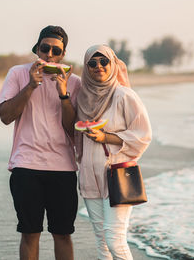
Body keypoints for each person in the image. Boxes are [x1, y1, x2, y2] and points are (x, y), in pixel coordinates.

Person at [0, 25, 81, 260]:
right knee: (30, 233)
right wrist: (31, 86)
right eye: (45, 49)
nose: (50, 55)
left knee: (63, 234)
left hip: (63, 168)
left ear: (63, 54)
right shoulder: (18, 74)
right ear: (37, 49)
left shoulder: (74, 82)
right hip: (26, 166)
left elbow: (73, 129)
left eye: (56, 51)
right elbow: (5, 116)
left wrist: (63, 94)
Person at [76, 44, 152, 260]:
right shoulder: (83, 98)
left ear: (113, 65)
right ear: (86, 67)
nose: (98, 66)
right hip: (90, 177)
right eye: (92, 63)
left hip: (117, 175)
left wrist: (105, 137)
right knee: (102, 242)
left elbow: (143, 135)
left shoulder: (124, 95)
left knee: (114, 239)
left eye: (104, 61)